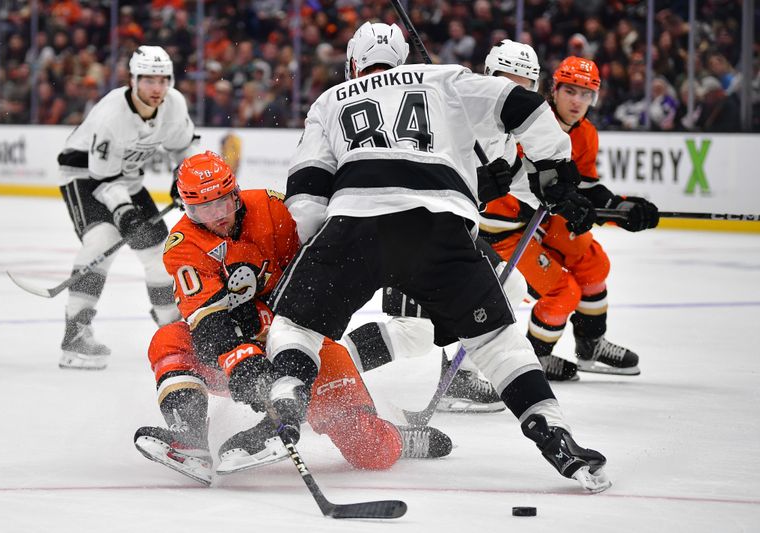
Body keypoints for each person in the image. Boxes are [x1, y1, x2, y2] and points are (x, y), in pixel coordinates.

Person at [264, 22, 610, 492]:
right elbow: (523, 107)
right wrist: (557, 167)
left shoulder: (331, 99)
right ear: (404, 60)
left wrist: (314, 255)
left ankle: (286, 396)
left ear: (352, 64)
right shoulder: (443, 79)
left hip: (356, 226)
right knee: (497, 343)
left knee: (295, 325)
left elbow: (306, 191)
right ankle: (554, 435)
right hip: (439, 230)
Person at [133, 151, 452, 486]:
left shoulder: (276, 210)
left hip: (300, 340)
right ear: (188, 209)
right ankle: (190, 439)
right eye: (201, 209)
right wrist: (247, 367)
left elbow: (324, 274)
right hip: (238, 353)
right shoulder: (183, 246)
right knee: (170, 339)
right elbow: (210, 327)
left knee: (369, 449)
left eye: (222, 202)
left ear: (235, 193)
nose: (216, 215)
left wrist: (274, 333)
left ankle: (398, 439)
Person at [491, 56, 657, 379]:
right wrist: (577, 204)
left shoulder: (587, 134)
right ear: (554, 90)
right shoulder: (530, 122)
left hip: (542, 220)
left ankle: (591, 345)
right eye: (570, 91)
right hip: (508, 227)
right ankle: (535, 359)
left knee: (593, 262)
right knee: (563, 291)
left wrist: (623, 208)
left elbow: (586, 187)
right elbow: (540, 187)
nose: (578, 101)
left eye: (587, 94)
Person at [57, 45, 198, 370]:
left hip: (128, 180)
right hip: (85, 177)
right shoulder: (111, 116)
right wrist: (124, 212)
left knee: (161, 255)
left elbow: (186, 145)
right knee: (101, 242)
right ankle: (75, 334)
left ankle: (174, 331)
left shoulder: (173, 104)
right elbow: (104, 181)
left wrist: (185, 176)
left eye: (163, 80)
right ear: (133, 80)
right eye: (148, 80)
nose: (156, 88)